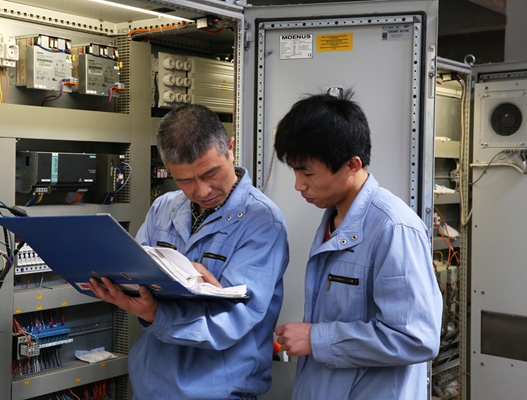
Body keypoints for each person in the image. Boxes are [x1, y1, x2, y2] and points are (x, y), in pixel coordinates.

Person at [89, 104, 289, 399]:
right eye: (185, 180)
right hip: (149, 387)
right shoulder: (163, 207)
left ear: (230, 148)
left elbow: (233, 320)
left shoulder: (262, 221)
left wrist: (157, 312)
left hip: (217, 391)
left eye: (211, 173)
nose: (202, 191)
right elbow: (133, 276)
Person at [273, 89, 442, 399]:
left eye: (308, 172)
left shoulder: (393, 228)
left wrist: (317, 339)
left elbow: (416, 338)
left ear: (352, 164)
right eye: (296, 171)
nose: (299, 185)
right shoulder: (335, 217)